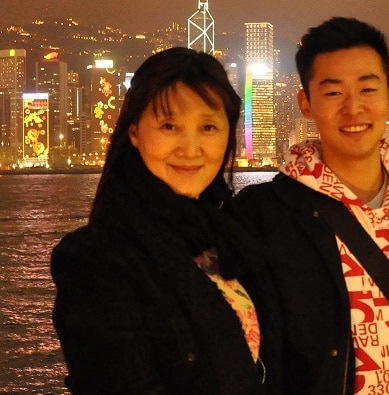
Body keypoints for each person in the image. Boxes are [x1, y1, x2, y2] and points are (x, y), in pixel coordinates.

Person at [234, 17, 389, 395]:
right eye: (333, 93)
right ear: (305, 103)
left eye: (367, 89)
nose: (353, 107)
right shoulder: (264, 213)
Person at [51, 47, 282, 394]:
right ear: (134, 132)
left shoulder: (236, 235)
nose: (190, 149)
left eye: (208, 127)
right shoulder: (95, 260)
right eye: (169, 125)